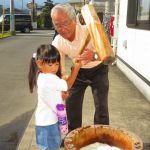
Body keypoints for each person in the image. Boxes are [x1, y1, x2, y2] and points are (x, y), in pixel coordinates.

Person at [51, 3, 109, 132]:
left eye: (65, 23)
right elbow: (60, 70)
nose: (62, 28)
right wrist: (62, 84)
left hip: (98, 71)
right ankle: (72, 137)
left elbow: (107, 54)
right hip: (77, 72)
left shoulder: (90, 30)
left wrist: (93, 55)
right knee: (71, 107)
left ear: (75, 20)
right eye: (57, 25)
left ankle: (102, 137)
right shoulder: (57, 42)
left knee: (101, 108)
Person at [28, 44, 81, 150]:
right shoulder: (49, 78)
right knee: (51, 147)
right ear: (40, 63)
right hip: (49, 123)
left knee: (50, 146)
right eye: (50, 65)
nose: (54, 68)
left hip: (46, 121)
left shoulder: (42, 76)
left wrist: (61, 96)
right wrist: (76, 69)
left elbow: (51, 94)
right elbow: (67, 85)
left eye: (56, 64)